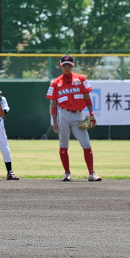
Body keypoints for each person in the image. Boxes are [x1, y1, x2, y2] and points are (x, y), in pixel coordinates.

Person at [46, 54, 102, 182]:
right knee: (63, 145)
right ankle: (67, 173)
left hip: (77, 115)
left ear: (72, 66)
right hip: (63, 115)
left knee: (86, 144)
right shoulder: (56, 83)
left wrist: (91, 113)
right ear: (61, 66)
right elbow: (53, 103)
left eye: (69, 65)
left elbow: (87, 97)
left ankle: (91, 173)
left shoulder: (81, 79)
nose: (67, 68)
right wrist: (54, 122)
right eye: (64, 65)